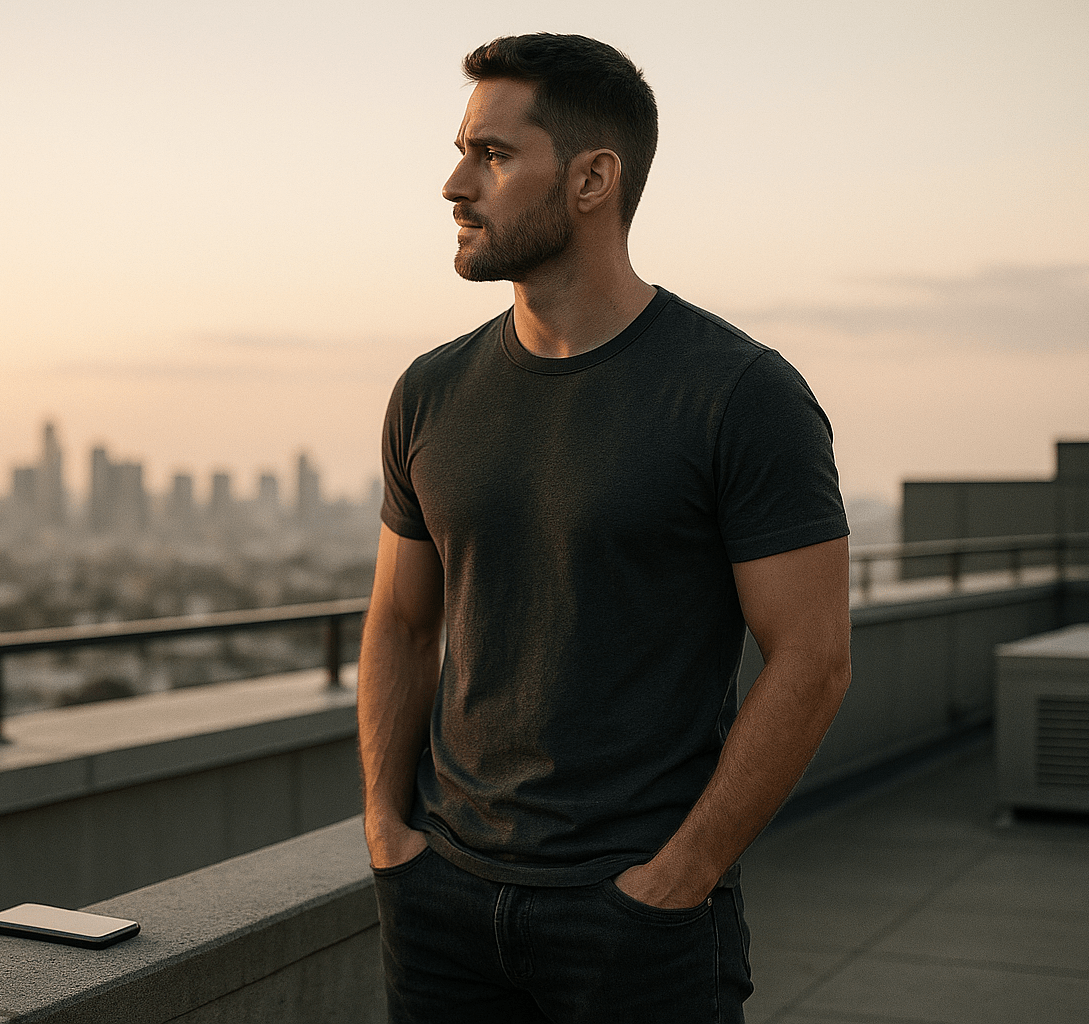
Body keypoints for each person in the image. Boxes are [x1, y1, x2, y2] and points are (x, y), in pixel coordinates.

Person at [356, 32, 853, 1024]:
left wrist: (682, 874)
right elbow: (403, 626)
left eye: (493, 155)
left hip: (637, 918)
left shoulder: (739, 393)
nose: (456, 184)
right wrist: (386, 832)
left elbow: (813, 656)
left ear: (592, 179)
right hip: (443, 899)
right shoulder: (431, 391)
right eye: (462, 150)